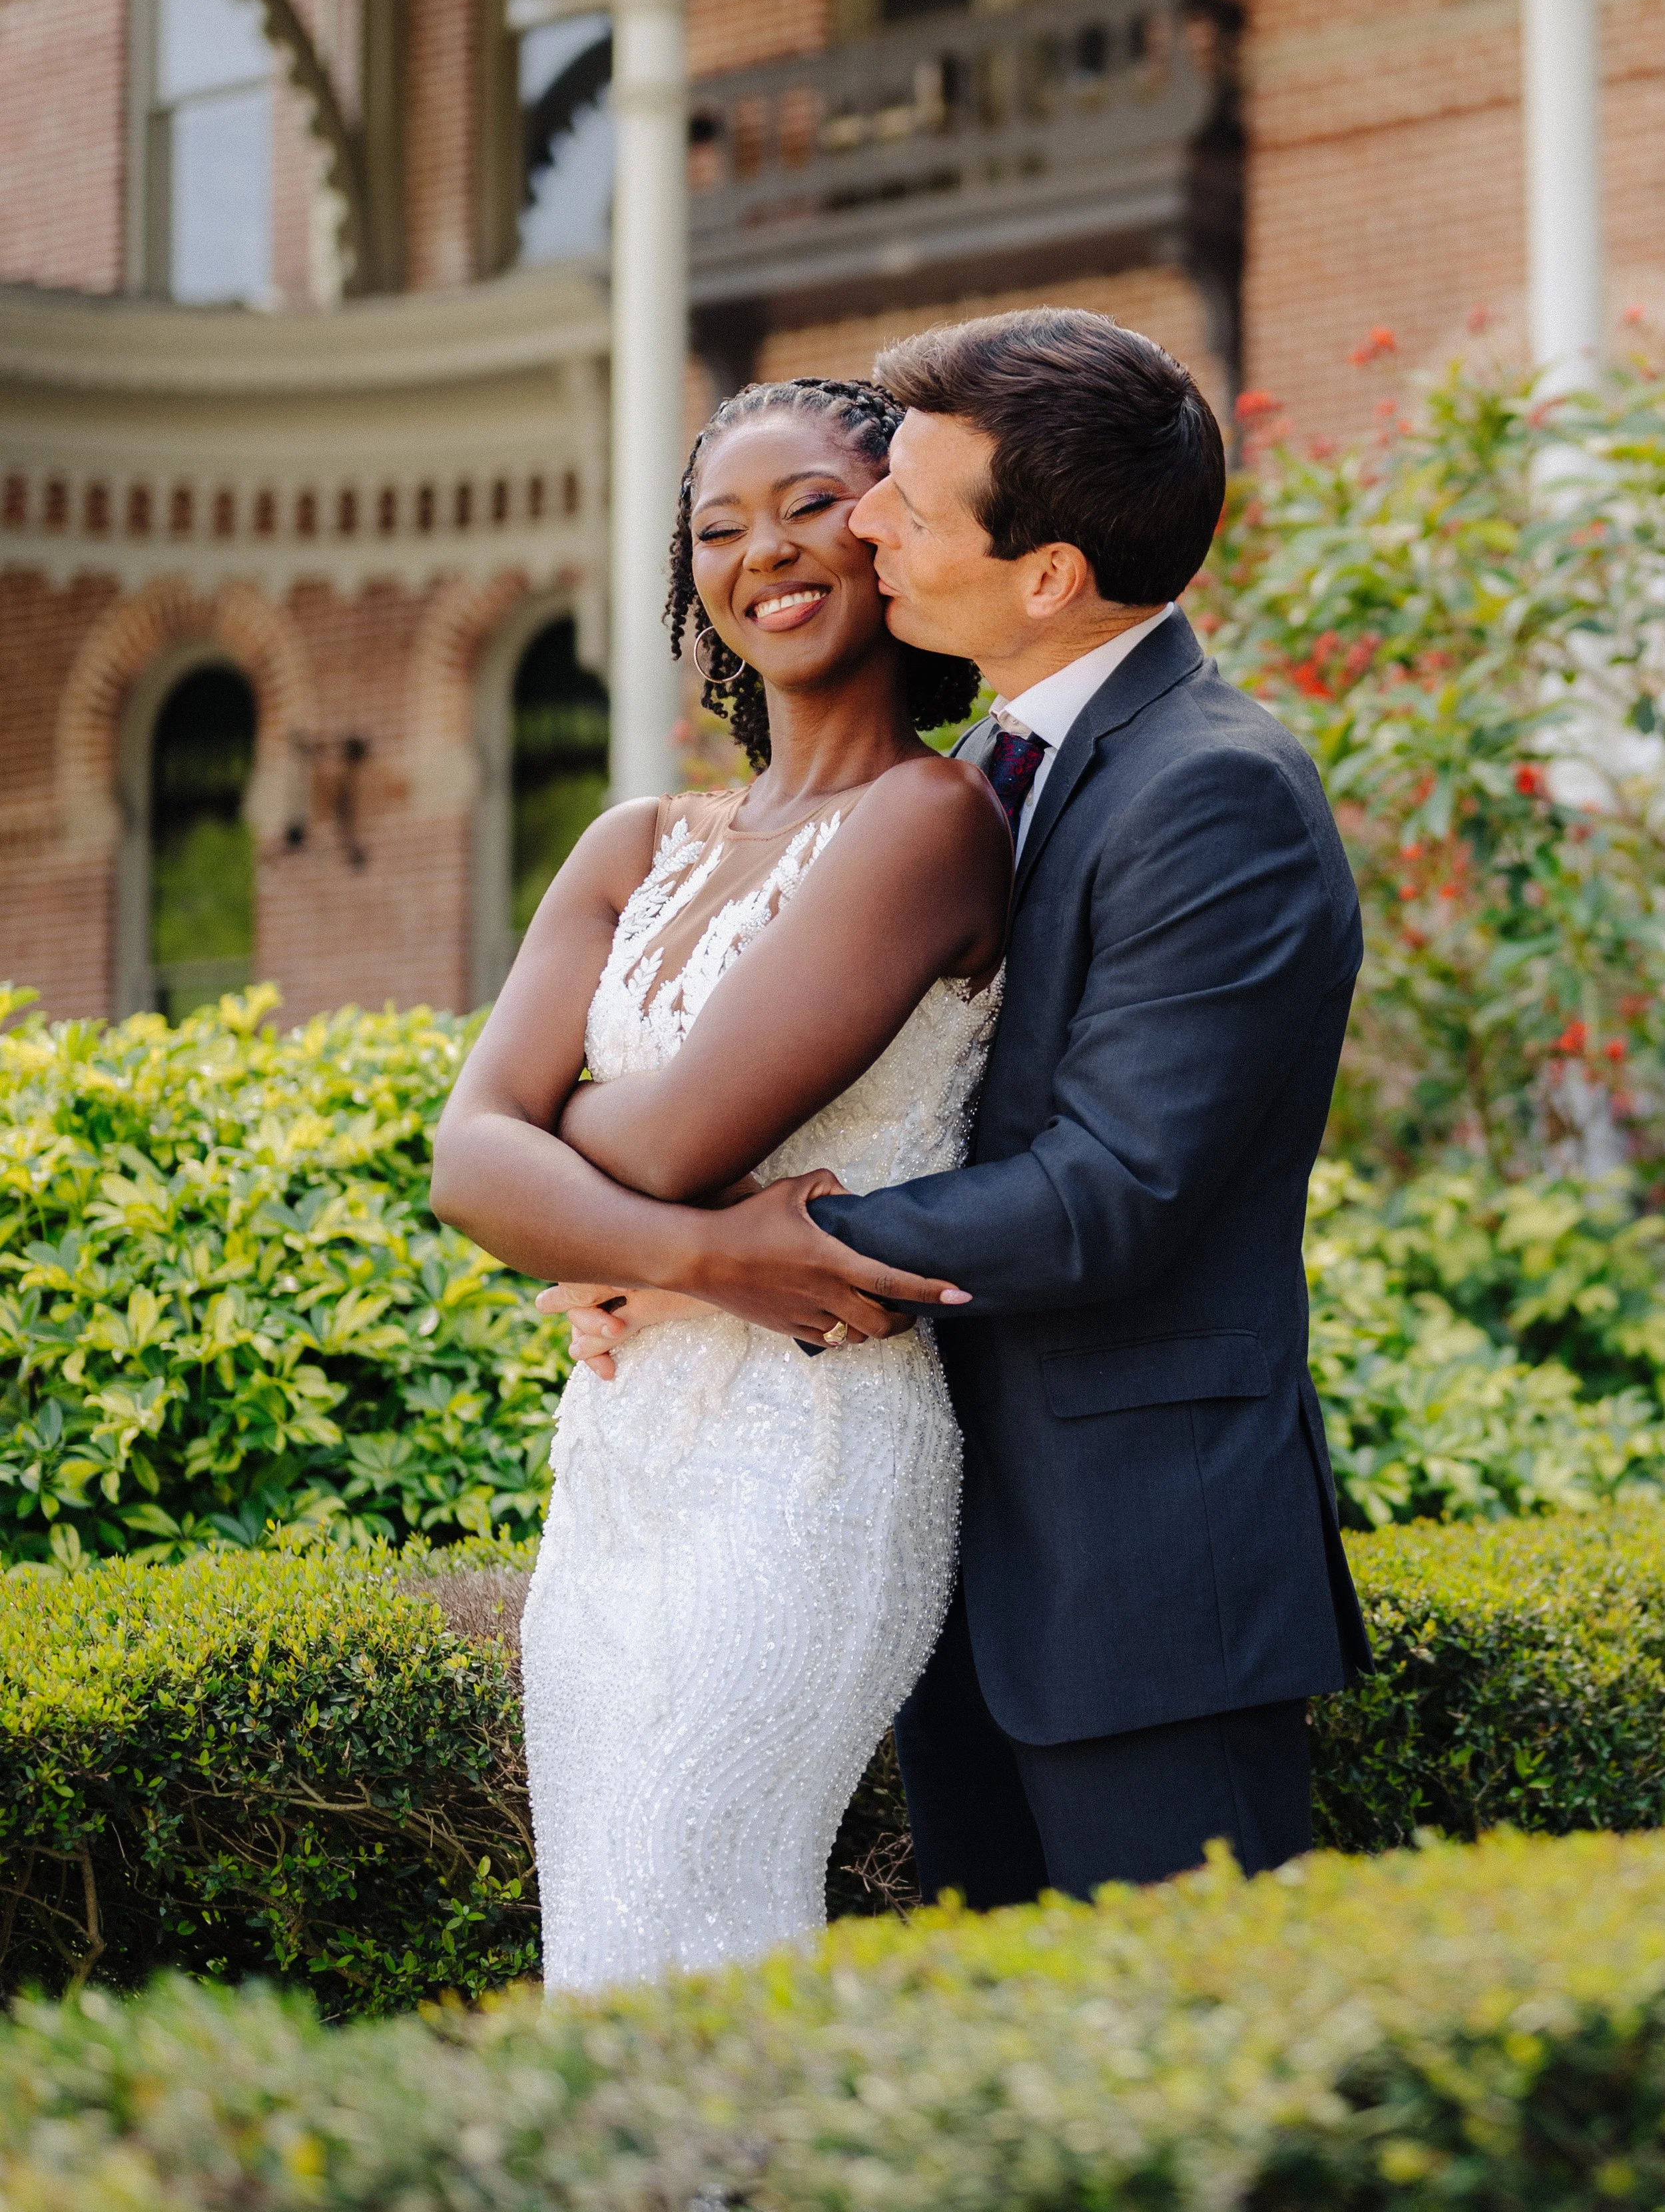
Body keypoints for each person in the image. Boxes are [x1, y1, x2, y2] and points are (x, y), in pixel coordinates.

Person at [551, 308, 1372, 1912]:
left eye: (904, 507)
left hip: (1142, 1584)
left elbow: (1109, 1190)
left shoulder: (1215, 787)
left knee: (1187, 2088)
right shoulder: (988, 769)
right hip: (949, 1549)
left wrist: (737, 1252)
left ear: (1047, 574)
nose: (862, 524)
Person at [431, 375, 1012, 1991]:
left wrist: (577, 1193)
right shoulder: (633, 847)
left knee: (704, 1908)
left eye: (812, 502)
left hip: (807, 1456)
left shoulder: (930, 818)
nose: (766, 549)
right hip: (617, 1460)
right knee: (606, 1937)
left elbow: (651, 1133)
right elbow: (460, 1157)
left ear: (887, 528)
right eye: (717, 525)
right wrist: (702, 1257)